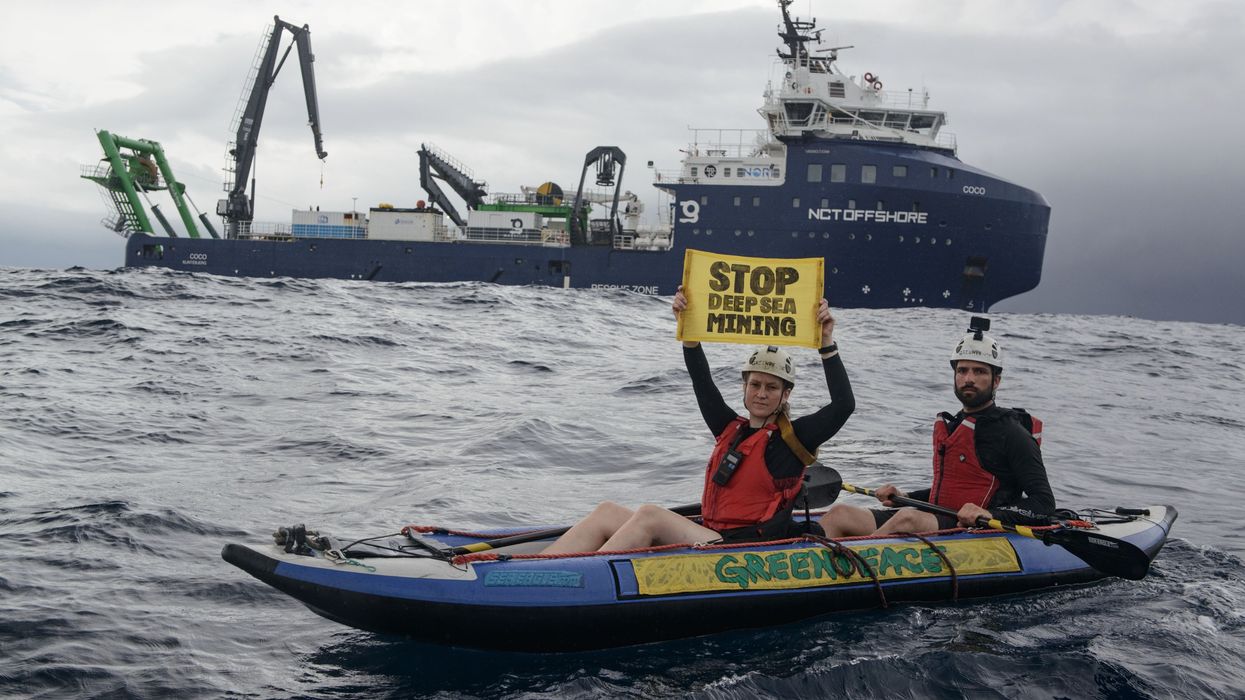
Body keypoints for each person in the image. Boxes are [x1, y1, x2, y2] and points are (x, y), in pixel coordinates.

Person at [542, 288, 854, 553]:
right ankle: (533, 569)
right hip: (710, 534)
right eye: (754, 384)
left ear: (785, 394)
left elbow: (843, 406)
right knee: (607, 511)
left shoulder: (793, 440)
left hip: (743, 550)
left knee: (650, 515)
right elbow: (702, 381)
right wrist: (687, 327)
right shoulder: (729, 429)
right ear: (744, 386)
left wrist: (826, 342)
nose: (761, 394)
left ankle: (580, 577)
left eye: (771, 387)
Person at [819, 317, 1055, 537]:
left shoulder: (1012, 433)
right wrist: (906, 496)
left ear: (996, 380)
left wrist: (990, 514)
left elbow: (1043, 503)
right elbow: (950, 491)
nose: (968, 378)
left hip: (972, 530)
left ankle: (852, 562)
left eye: (979, 371)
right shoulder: (955, 426)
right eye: (962, 370)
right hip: (939, 519)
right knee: (841, 513)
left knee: (907, 519)